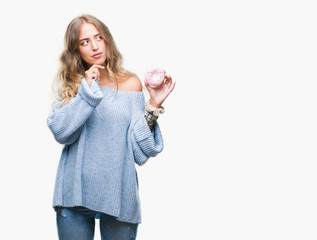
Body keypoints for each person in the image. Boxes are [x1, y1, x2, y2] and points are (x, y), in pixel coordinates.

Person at [47, 14, 176, 240]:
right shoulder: (73, 84)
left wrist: (153, 105)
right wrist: (87, 90)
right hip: (74, 192)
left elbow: (139, 151)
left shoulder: (131, 83)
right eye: (85, 42)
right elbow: (61, 132)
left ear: (107, 39)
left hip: (119, 195)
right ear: (76, 50)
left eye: (99, 37)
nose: (95, 46)